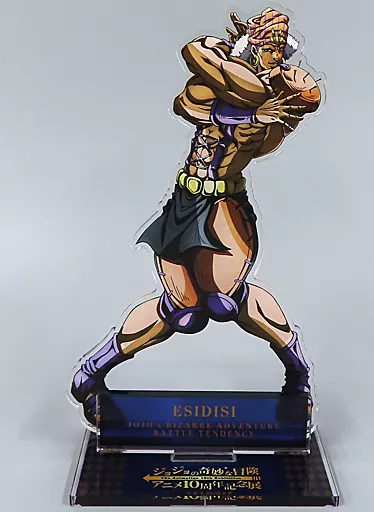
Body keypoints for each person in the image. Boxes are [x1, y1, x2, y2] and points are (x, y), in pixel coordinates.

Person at [71, 8, 321, 426]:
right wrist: (244, 100)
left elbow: (290, 110)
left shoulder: (276, 103)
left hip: (224, 205)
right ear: (252, 44)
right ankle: (94, 369)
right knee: (182, 310)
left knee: (224, 299)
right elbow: (188, 99)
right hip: (185, 200)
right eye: (268, 45)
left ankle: (297, 372)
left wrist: (264, 105)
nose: (275, 56)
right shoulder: (227, 77)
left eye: (280, 50)